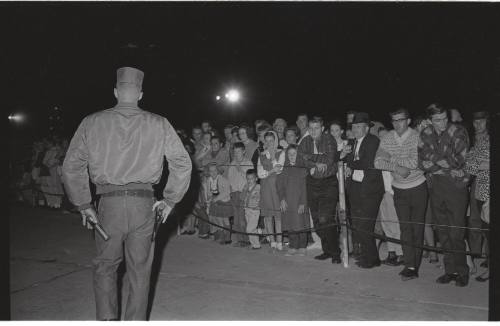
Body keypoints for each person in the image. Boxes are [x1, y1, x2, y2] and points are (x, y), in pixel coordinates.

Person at [62, 67, 191, 320]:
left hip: (108, 206)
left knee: (105, 267)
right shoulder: (159, 123)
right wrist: (170, 199)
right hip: (144, 205)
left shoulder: (92, 121)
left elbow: (71, 165)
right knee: (140, 271)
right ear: (140, 94)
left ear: (115, 92)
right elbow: (183, 163)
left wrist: (83, 203)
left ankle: (107, 320)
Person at [419, 103, 470, 287]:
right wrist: (440, 164)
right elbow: (420, 160)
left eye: (444, 119)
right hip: (436, 186)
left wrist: (434, 161)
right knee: (443, 231)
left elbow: (459, 160)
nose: (442, 123)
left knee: (456, 232)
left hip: (455, 187)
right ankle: (450, 271)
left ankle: (462, 272)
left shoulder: (458, 131)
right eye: (437, 120)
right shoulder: (426, 133)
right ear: (430, 120)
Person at [375, 109, 428, 280]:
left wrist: (391, 159)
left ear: (409, 120)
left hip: (418, 187)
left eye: (401, 120)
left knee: (417, 228)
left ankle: (415, 265)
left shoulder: (417, 136)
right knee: (404, 228)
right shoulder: (388, 137)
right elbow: (377, 162)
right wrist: (397, 167)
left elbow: (415, 162)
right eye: (394, 121)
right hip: (398, 188)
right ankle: (410, 265)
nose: (398, 124)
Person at [298, 117, 342, 264]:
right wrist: (316, 161)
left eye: (316, 128)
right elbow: (300, 158)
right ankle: (327, 250)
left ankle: (336, 252)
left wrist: (310, 159)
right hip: (312, 183)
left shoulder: (329, 139)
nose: (313, 131)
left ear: (322, 128)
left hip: (328, 183)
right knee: (317, 221)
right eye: (310, 128)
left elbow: (329, 159)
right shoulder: (305, 141)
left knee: (326, 218)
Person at [345, 112, 384, 268]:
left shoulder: (373, 141)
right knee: (358, 224)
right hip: (355, 187)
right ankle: (370, 256)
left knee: (365, 225)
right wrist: (345, 156)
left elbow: (367, 162)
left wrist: (350, 165)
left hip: (370, 189)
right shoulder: (352, 142)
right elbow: (345, 158)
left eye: (359, 126)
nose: (355, 129)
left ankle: (372, 259)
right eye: (354, 126)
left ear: (367, 128)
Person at [464, 111, 490, 281]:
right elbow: (472, 161)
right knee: (484, 227)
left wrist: (467, 167)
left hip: (488, 190)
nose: (478, 124)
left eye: (482, 121)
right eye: (475, 121)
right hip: (479, 189)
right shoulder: (476, 141)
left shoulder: (490, 139)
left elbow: (484, 164)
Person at [277, 144, 310, 256]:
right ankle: (293, 246)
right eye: (289, 154)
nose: (291, 156)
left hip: (299, 201)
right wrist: (281, 199)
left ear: (298, 154)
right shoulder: (283, 169)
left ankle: (302, 246)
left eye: (294, 153)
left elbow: (305, 188)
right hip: (287, 202)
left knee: (300, 224)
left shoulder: (302, 169)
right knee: (290, 224)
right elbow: (280, 186)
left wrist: (302, 203)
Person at [257, 131, 285, 250]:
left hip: (277, 186)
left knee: (278, 216)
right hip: (265, 187)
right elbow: (260, 174)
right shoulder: (261, 155)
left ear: (275, 141)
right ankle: (272, 241)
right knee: (268, 216)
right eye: (266, 141)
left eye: (271, 140)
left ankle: (279, 241)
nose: (269, 143)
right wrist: (271, 171)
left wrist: (273, 159)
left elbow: (280, 169)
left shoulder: (282, 153)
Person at [227, 142, 253, 247]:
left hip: (244, 193)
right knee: (236, 218)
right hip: (234, 193)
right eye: (235, 152)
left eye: (239, 151)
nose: (237, 154)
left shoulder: (248, 163)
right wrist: (230, 191)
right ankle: (239, 239)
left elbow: (250, 180)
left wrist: (240, 169)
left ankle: (246, 239)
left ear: (244, 151)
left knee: (243, 217)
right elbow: (229, 179)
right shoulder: (232, 163)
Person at [206, 162, 233, 244]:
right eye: (211, 171)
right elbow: (209, 192)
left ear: (218, 171)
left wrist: (217, 198)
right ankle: (221, 236)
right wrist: (209, 200)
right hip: (215, 201)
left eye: (215, 170)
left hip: (224, 201)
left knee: (225, 220)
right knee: (218, 219)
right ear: (208, 172)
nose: (213, 173)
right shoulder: (208, 180)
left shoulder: (223, 179)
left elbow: (227, 191)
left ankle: (228, 238)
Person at [241, 169, 261, 249]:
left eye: (251, 178)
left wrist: (259, 205)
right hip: (247, 210)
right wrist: (245, 190)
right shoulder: (246, 186)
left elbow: (262, 198)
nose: (249, 180)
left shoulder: (259, 187)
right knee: (252, 229)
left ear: (256, 178)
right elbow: (241, 198)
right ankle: (255, 245)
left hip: (255, 211)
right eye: (248, 178)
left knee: (249, 229)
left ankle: (260, 232)